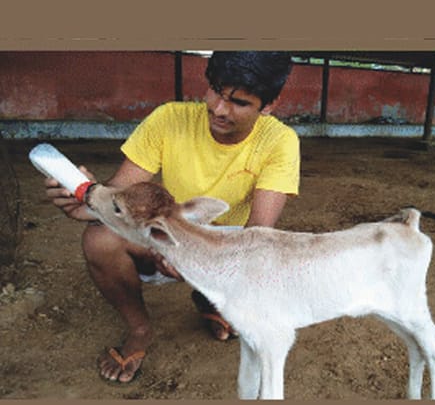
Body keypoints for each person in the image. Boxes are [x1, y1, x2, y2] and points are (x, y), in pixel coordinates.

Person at [45, 52, 300, 384]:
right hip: (166, 231)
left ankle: (213, 299)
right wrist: (90, 197)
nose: (219, 109)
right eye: (215, 91)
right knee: (99, 239)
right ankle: (139, 329)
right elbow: (121, 190)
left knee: (259, 259)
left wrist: (191, 255)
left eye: (238, 102)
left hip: (227, 244)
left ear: (268, 105)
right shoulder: (169, 119)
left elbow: (257, 237)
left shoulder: (279, 142)